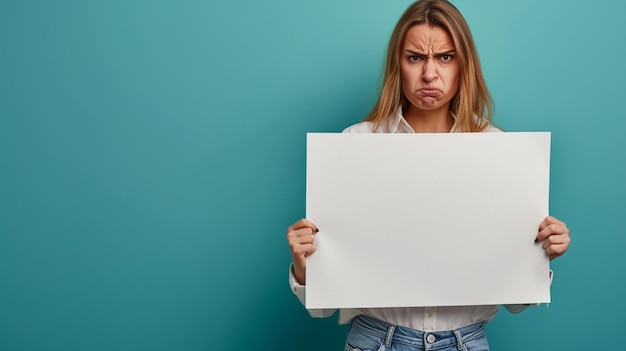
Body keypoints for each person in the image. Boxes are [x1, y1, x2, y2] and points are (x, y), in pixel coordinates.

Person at [286, 0, 571, 350]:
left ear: (464, 65)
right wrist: (304, 267)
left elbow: (518, 302)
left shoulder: (498, 151)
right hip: (376, 340)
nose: (430, 74)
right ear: (398, 65)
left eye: (445, 57)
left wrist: (541, 252)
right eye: (415, 57)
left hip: (464, 342)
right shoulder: (355, 145)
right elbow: (323, 308)